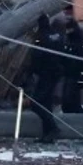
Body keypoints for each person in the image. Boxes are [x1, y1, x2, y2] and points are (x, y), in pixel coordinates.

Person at [28, 15, 63, 143]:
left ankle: (53, 128)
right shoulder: (57, 35)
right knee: (46, 103)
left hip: (45, 73)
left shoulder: (41, 37)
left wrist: (30, 72)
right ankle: (47, 134)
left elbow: (36, 57)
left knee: (36, 103)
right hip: (56, 73)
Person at [60, 18, 83, 114]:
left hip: (76, 75)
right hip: (68, 74)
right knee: (66, 101)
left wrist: (82, 78)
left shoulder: (81, 44)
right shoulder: (68, 42)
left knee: (71, 100)